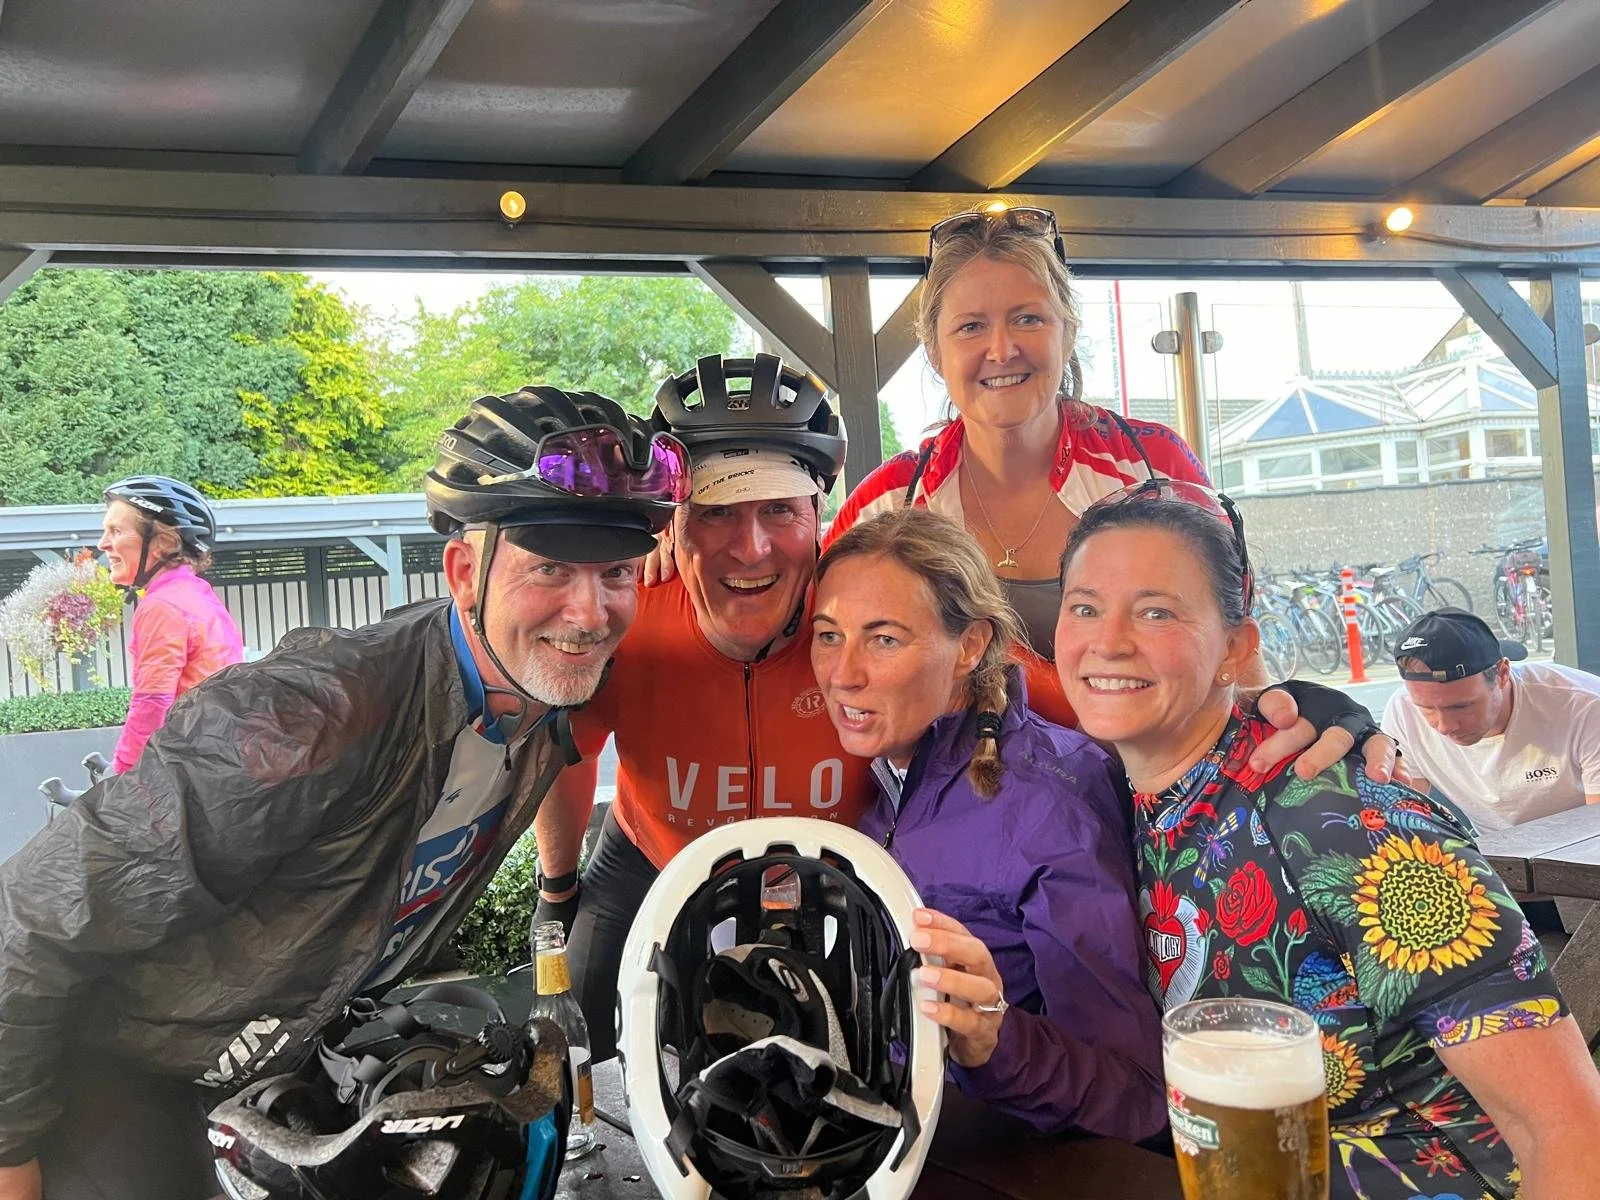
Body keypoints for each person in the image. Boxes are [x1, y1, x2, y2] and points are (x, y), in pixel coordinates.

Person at [533, 354, 1384, 1063]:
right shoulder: (628, 618)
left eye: (779, 513)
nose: (751, 548)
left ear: (818, 519)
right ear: (671, 521)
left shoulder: (864, 606)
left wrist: (1278, 704)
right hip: (652, 859)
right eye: (714, 513)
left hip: (829, 882)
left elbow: (1083, 694)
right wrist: (557, 884)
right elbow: (562, 748)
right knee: (586, 1058)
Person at [0, 386, 686, 1200]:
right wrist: (11, 1150)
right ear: (465, 570)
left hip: (270, 1047)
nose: (591, 611)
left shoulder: (538, 700)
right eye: (549, 568)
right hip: (109, 1061)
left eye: (616, 572)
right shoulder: (305, 718)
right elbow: (34, 913)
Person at [1053, 481, 1600, 1199]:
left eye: (1156, 611)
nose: (1109, 639)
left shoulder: (1344, 812)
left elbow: (1567, 1131)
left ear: (1235, 647)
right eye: (1084, 607)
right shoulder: (1107, 800)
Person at [811, 507, 1164, 1140]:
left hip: (1009, 1161)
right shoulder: (891, 774)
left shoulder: (1052, 802)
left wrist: (992, 1040)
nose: (844, 673)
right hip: (893, 1136)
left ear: (970, 646)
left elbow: (1133, 1091)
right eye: (829, 634)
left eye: (885, 638)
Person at [825, 204, 1212, 730]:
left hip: (1157, 794)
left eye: (1027, 319)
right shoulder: (892, 501)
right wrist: (675, 559)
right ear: (935, 352)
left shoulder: (1150, 466)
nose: (1001, 349)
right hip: (968, 798)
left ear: (1067, 333)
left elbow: (1231, 644)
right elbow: (803, 631)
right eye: (970, 327)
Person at [1382, 607, 1600, 831]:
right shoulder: (1403, 711)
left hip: (1583, 850)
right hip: (1494, 856)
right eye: (1426, 708)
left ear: (1502, 673)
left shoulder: (1586, 707)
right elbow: (1404, 821)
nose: (1444, 726)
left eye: (1461, 706)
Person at [98, 475, 245, 773]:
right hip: (222, 763)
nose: (103, 544)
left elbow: (152, 703)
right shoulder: (197, 595)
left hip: (192, 777)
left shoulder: (163, 606)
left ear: (163, 543)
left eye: (115, 531)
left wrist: (124, 771)